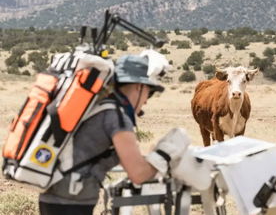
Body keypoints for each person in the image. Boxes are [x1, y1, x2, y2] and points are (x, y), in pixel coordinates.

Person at [38, 54, 190, 215]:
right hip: (71, 204)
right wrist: (166, 153)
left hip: (56, 198)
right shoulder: (116, 117)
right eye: (149, 92)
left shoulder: (101, 107)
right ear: (140, 87)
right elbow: (138, 174)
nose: (146, 100)